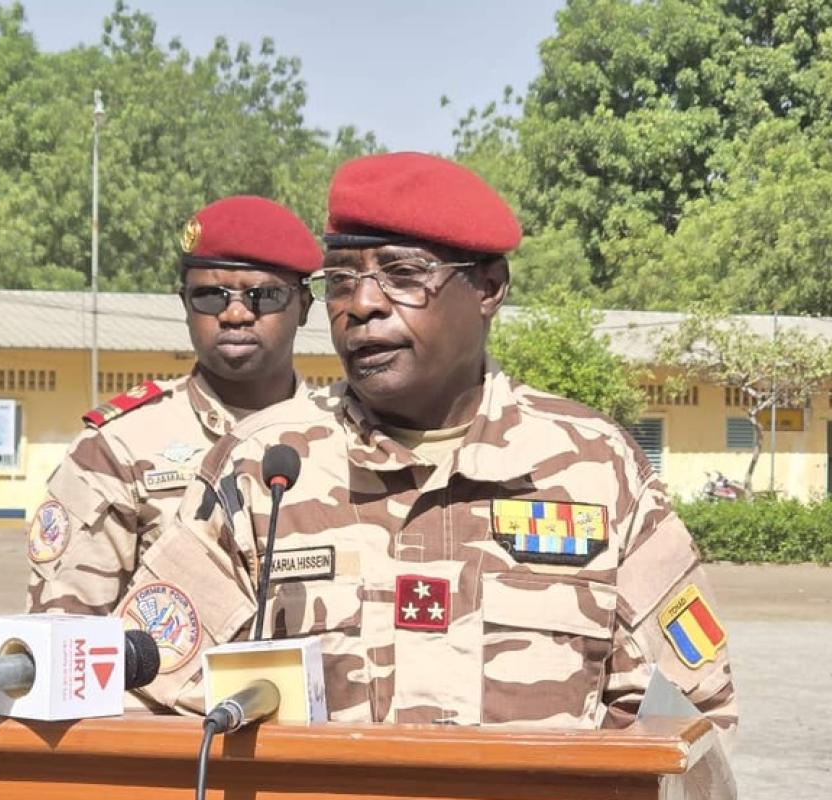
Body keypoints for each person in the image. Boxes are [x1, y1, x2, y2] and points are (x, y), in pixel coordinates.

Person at [118, 154, 738, 762]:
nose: (361, 304)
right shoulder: (264, 468)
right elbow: (142, 693)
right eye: (339, 280)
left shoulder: (594, 467)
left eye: (403, 273)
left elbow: (689, 718)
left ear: (487, 289)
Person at [26, 196, 322, 614]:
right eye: (210, 297)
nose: (235, 313)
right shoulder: (116, 449)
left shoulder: (351, 440)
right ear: (184, 305)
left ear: (304, 306)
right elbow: (67, 633)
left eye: (264, 296)